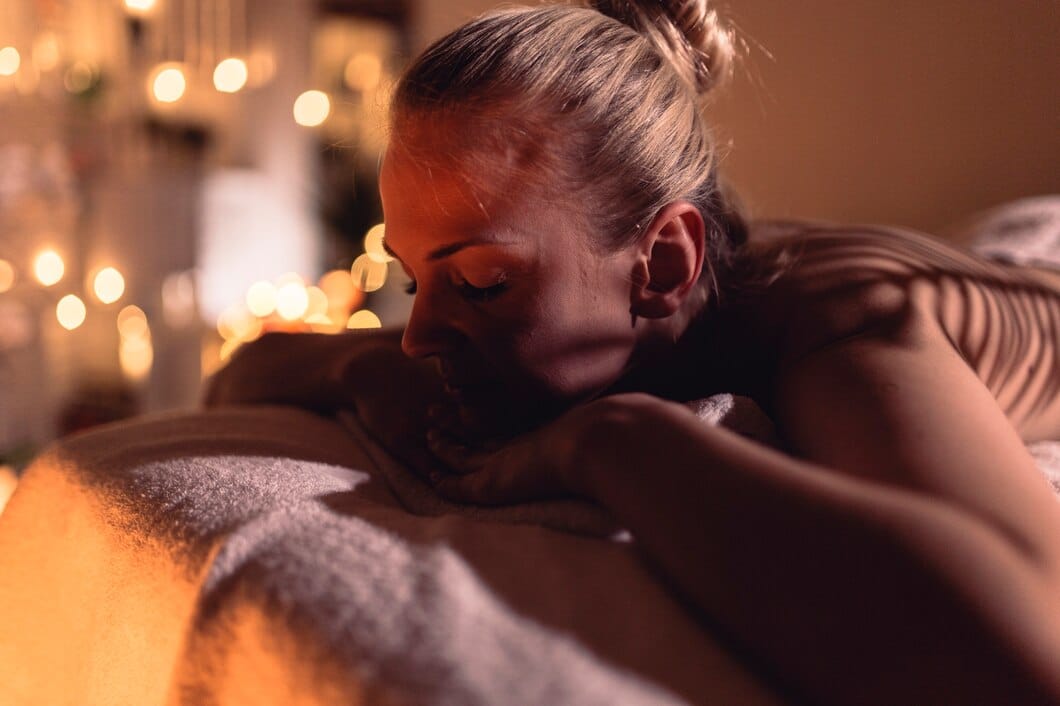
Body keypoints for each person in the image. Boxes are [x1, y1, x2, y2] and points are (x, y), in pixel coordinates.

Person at [204, 1, 1060, 703]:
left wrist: (616, 443)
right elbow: (240, 373)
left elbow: (1028, 641)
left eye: (480, 283)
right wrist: (360, 366)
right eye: (412, 278)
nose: (420, 335)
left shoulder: (846, 328)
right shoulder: (543, 303)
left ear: (663, 263)